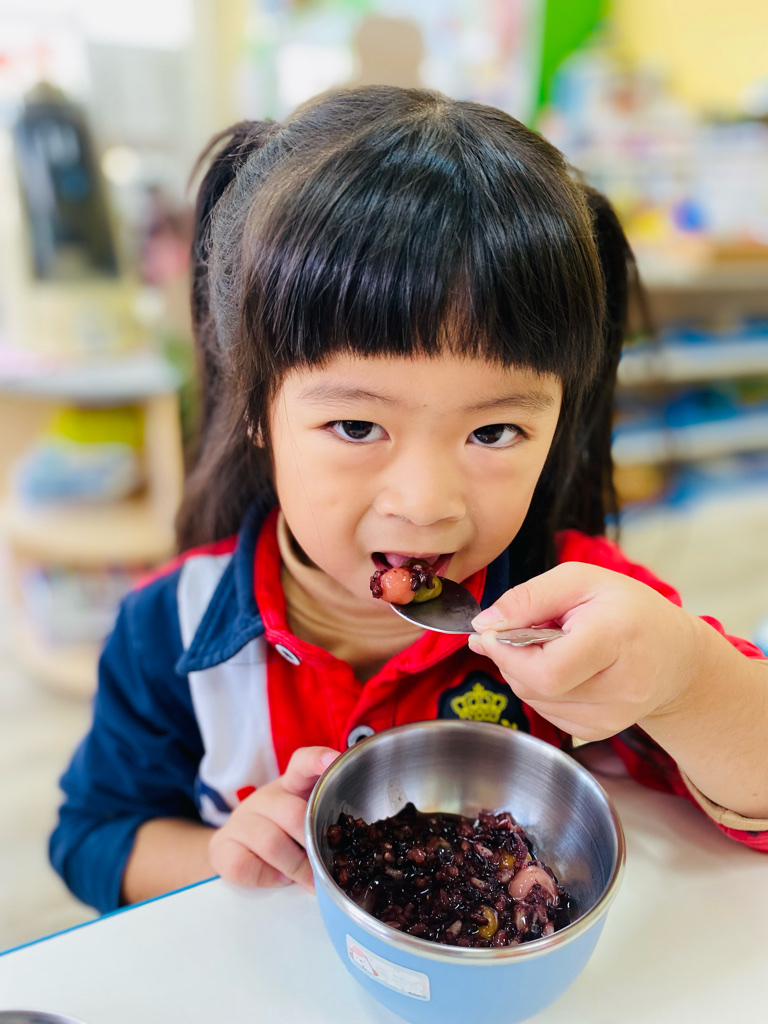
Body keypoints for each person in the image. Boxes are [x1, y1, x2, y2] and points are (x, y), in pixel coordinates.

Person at [50, 87, 768, 915]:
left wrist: (684, 678)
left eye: (493, 432)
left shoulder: (581, 611)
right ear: (255, 409)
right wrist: (224, 859)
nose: (426, 505)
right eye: (357, 426)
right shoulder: (168, 632)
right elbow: (93, 838)